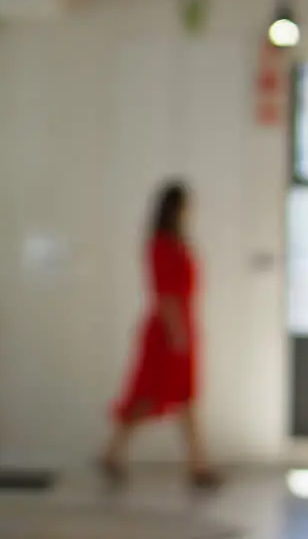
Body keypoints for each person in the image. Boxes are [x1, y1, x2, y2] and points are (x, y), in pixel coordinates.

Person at [99, 180, 220, 489]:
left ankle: (197, 464)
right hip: (169, 332)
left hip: (181, 327)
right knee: (150, 395)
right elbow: (166, 292)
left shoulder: (177, 243)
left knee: (185, 398)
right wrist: (177, 332)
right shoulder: (161, 245)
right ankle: (117, 453)